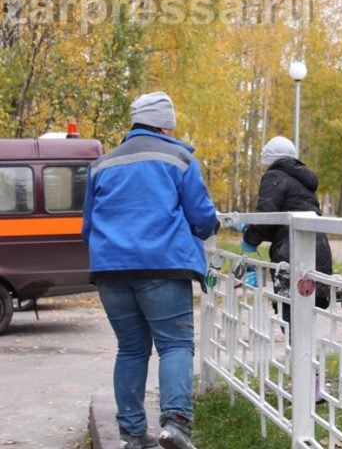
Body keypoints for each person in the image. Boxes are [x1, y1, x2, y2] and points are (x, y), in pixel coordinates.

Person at [82, 91, 218, 449]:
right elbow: (202, 215)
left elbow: (87, 227)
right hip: (162, 265)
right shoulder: (179, 158)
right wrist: (204, 232)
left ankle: (130, 434)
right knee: (175, 346)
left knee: (130, 349)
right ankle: (175, 425)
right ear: (165, 125)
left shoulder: (102, 164)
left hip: (110, 270)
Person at [240, 136, 333, 328]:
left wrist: (249, 239)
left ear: (269, 160)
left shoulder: (274, 177)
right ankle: (304, 357)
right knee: (305, 321)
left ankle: (298, 358)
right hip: (317, 253)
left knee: (292, 322)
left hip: (291, 256)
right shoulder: (303, 181)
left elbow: (266, 217)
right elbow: (281, 223)